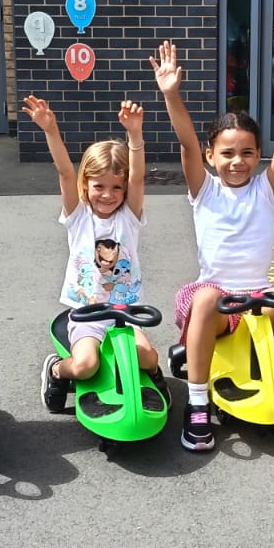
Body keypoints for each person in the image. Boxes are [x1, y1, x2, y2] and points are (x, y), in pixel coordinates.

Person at [150, 40, 274, 453]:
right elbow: (186, 143)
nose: (237, 161)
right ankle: (198, 406)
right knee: (204, 299)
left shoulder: (266, 189)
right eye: (227, 153)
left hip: (258, 299)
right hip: (216, 301)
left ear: (259, 154)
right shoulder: (205, 189)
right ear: (211, 155)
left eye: (247, 153)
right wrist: (171, 94)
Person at [22, 95, 161, 409]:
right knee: (86, 365)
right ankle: (56, 370)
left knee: (147, 357)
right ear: (86, 185)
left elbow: (138, 176)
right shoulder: (78, 216)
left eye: (116, 187)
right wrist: (50, 130)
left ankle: (154, 376)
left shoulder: (130, 217)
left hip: (126, 313)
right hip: (88, 314)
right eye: (99, 186)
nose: (107, 195)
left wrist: (135, 135)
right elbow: (65, 173)